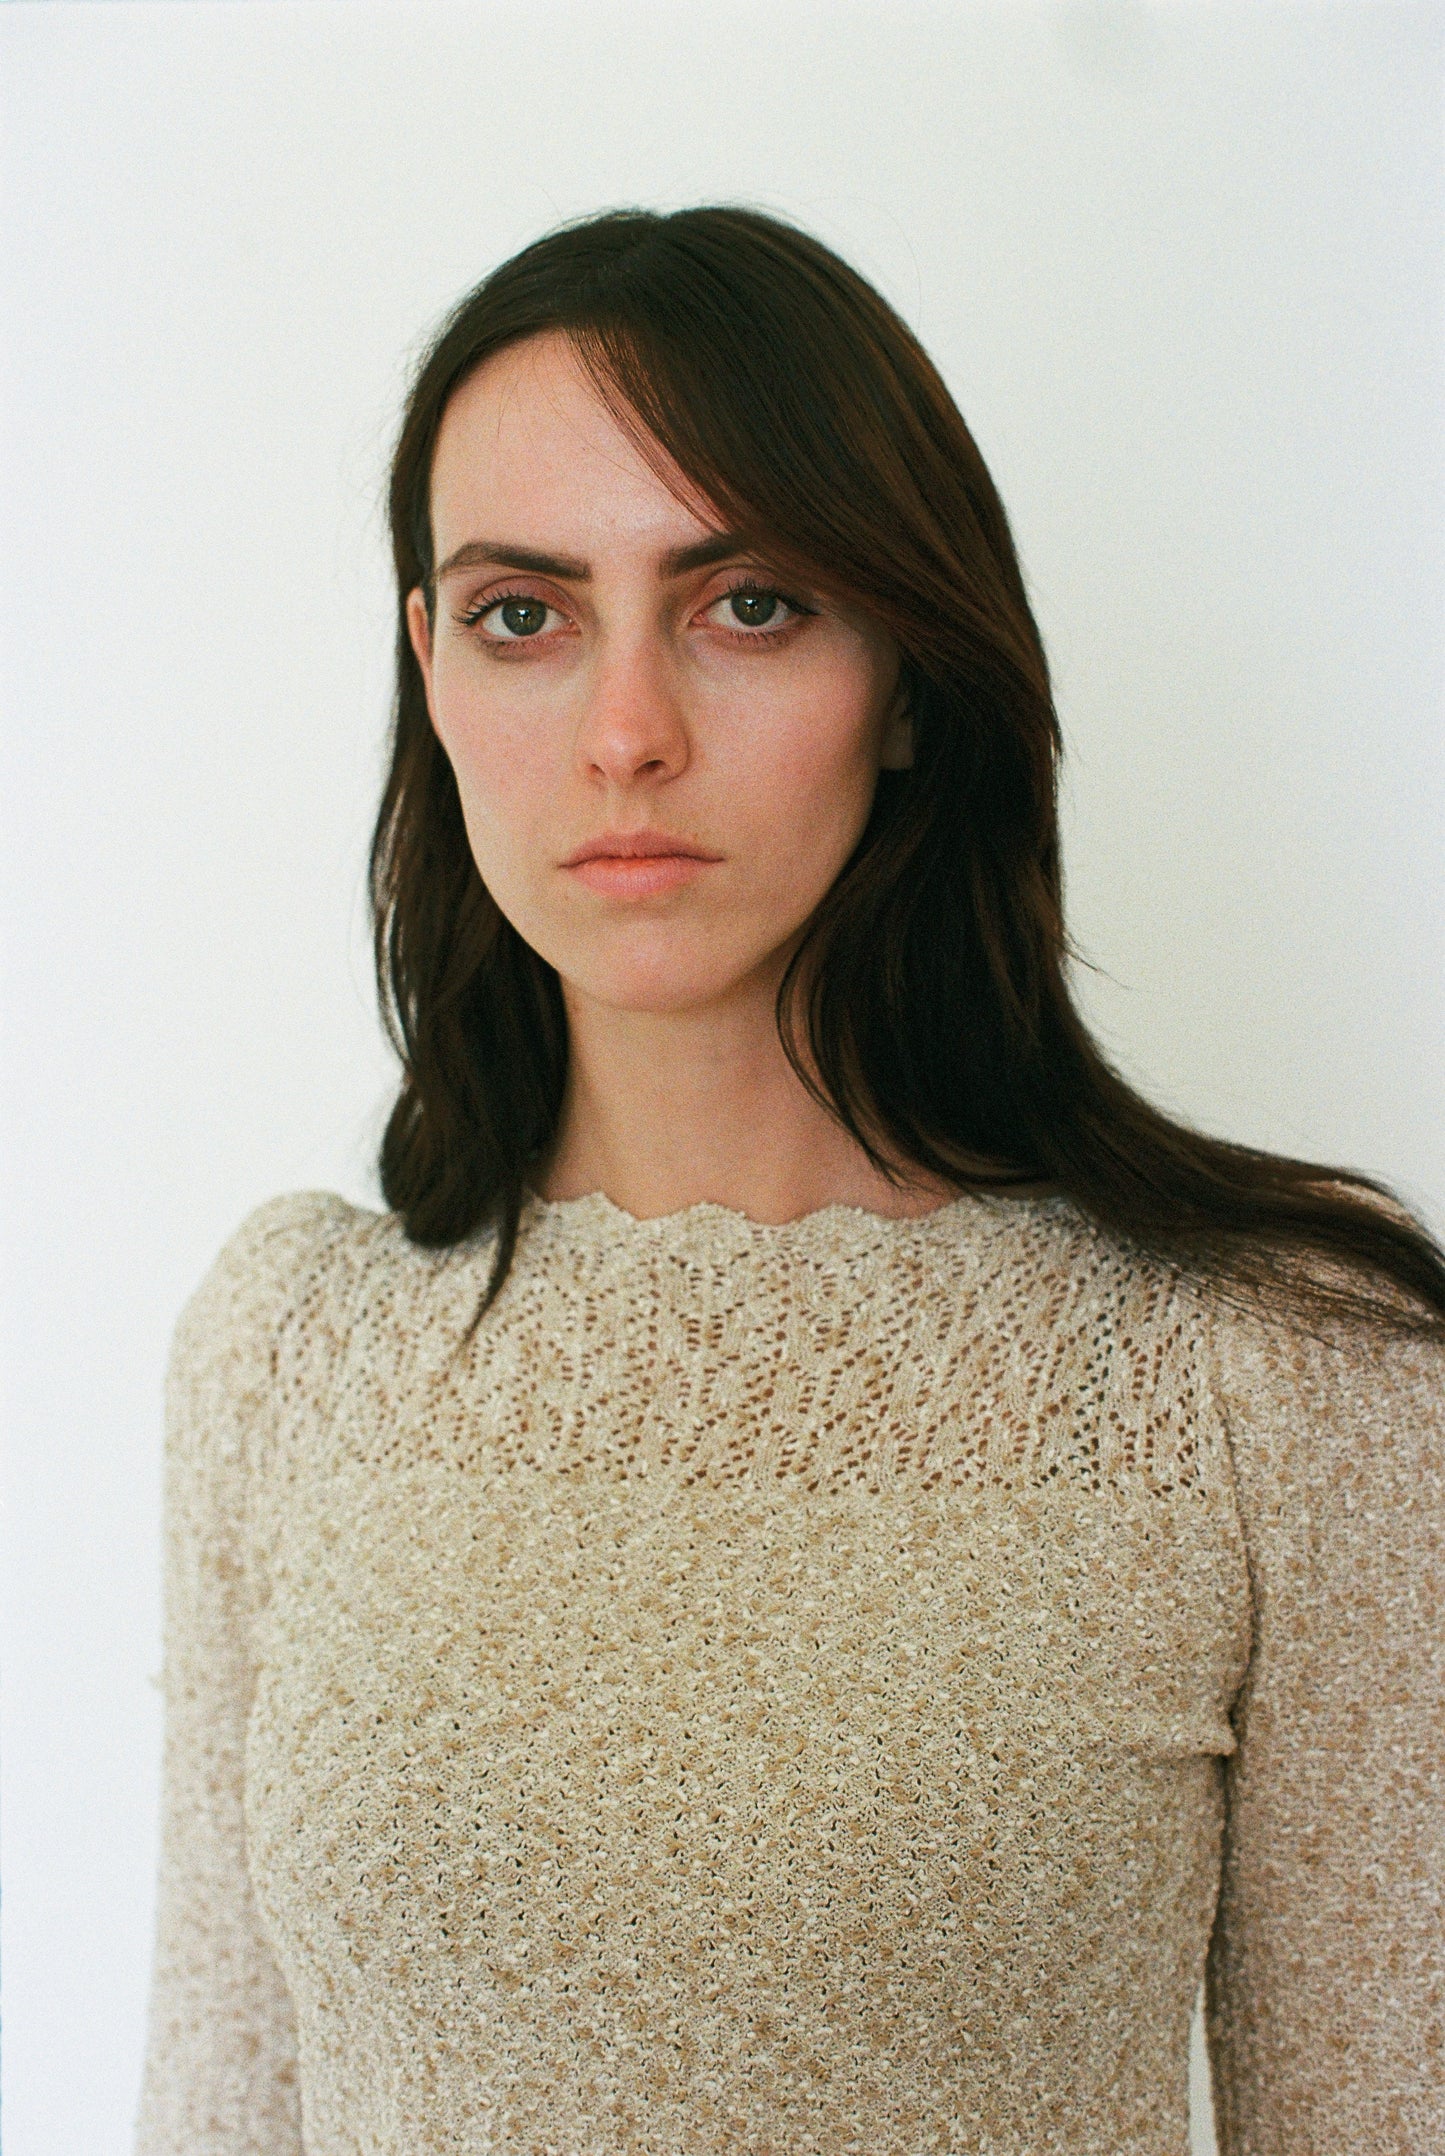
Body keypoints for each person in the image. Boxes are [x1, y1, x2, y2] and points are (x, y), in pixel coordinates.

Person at [135, 207, 1444, 2155]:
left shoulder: (1280, 1377)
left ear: (910, 673)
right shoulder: (292, 1353)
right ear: (428, 667)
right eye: (524, 613)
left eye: (746, 603)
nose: (628, 733)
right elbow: (216, 2113)